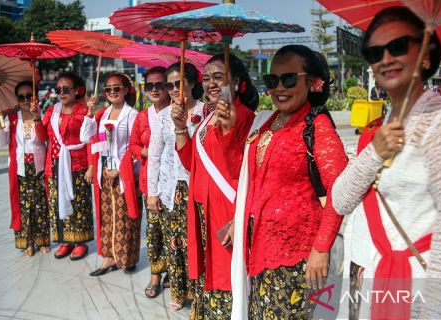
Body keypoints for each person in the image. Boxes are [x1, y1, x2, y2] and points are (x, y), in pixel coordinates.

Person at [331, 7, 441, 319]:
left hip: (420, 286)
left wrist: (433, 312)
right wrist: (374, 152)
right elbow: (340, 199)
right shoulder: (387, 123)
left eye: (397, 46)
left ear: (425, 55)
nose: (385, 59)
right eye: (374, 52)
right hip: (374, 274)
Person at [228, 46, 348, 319]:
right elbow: (251, 176)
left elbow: (340, 193)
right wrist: (238, 219)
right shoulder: (268, 121)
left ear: (314, 82)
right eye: (272, 80)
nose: (279, 87)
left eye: (290, 79)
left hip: (296, 259)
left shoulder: (318, 127)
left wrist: (321, 249)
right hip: (258, 250)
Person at [171, 53, 258, 319]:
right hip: (202, 211)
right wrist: (180, 127)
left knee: (225, 277)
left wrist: (237, 219)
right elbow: (191, 163)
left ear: (237, 82)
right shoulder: (208, 118)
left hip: (225, 213)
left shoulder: (244, 116)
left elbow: (241, 168)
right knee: (209, 275)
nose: (211, 84)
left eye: (219, 77)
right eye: (207, 78)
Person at [147, 62, 205, 311]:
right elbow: (155, 156)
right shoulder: (161, 117)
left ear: (192, 83)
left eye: (178, 83)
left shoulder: (206, 112)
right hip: (171, 188)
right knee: (175, 242)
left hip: (197, 186)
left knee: (197, 242)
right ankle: (180, 291)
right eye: (169, 85)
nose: (173, 89)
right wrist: (153, 192)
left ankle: (199, 292)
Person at [81, 73, 141, 275]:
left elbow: (136, 147)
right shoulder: (102, 114)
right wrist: (89, 113)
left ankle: (127, 258)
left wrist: (122, 170)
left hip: (124, 174)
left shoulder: (132, 115)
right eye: (108, 89)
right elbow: (90, 140)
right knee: (106, 217)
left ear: (125, 90)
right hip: (106, 172)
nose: (113, 92)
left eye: (117, 88)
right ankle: (108, 258)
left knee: (126, 217)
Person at [35, 72, 94, 261]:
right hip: (55, 164)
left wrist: (92, 166)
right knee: (57, 203)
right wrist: (37, 118)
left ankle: (80, 242)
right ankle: (65, 241)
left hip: (78, 165)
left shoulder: (84, 110)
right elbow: (43, 137)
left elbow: (93, 140)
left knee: (79, 203)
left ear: (76, 90)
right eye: (58, 89)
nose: (62, 92)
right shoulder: (52, 111)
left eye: (66, 89)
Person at [0, 81, 50, 256]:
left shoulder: (42, 115)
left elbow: (43, 137)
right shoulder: (11, 119)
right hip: (20, 169)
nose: (26, 100)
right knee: (24, 206)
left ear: (36, 97)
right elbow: (1, 142)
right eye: (22, 97)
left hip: (39, 167)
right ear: (17, 100)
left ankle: (43, 240)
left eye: (29, 96)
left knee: (40, 204)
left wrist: (37, 117)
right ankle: (28, 242)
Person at [129, 67, 170, 297]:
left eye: (160, 85)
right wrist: (147, 151)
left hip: (174, 183)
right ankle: (155, 274)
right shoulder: (142, 116)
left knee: (173, 231)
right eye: (149, 86)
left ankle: (174, 274)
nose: (154, 90)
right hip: (150, 182)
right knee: (154, 231)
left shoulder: (178, 113)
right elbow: (133, 145)